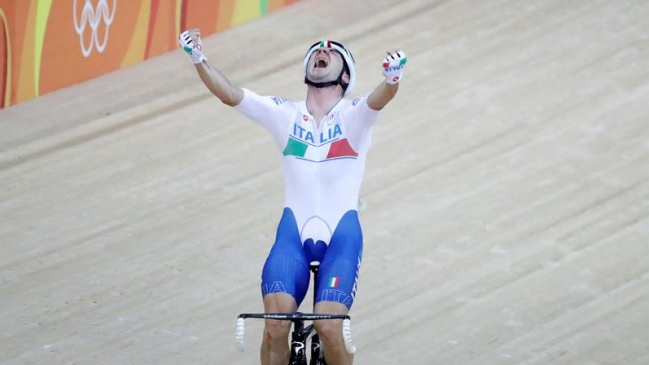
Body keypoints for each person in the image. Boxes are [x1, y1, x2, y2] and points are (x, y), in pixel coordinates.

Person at [179, 29, 407, 365]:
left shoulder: (354, 115)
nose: (321, 52)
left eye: (331, 53)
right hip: (293, 236)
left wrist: (392, 79)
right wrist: (198, 58)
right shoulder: (283, 114)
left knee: (328, 328)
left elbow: (381, 97)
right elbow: (230, 94)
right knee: (273, 328)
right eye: (315, 51)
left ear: (345, 76)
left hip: (341, 237)